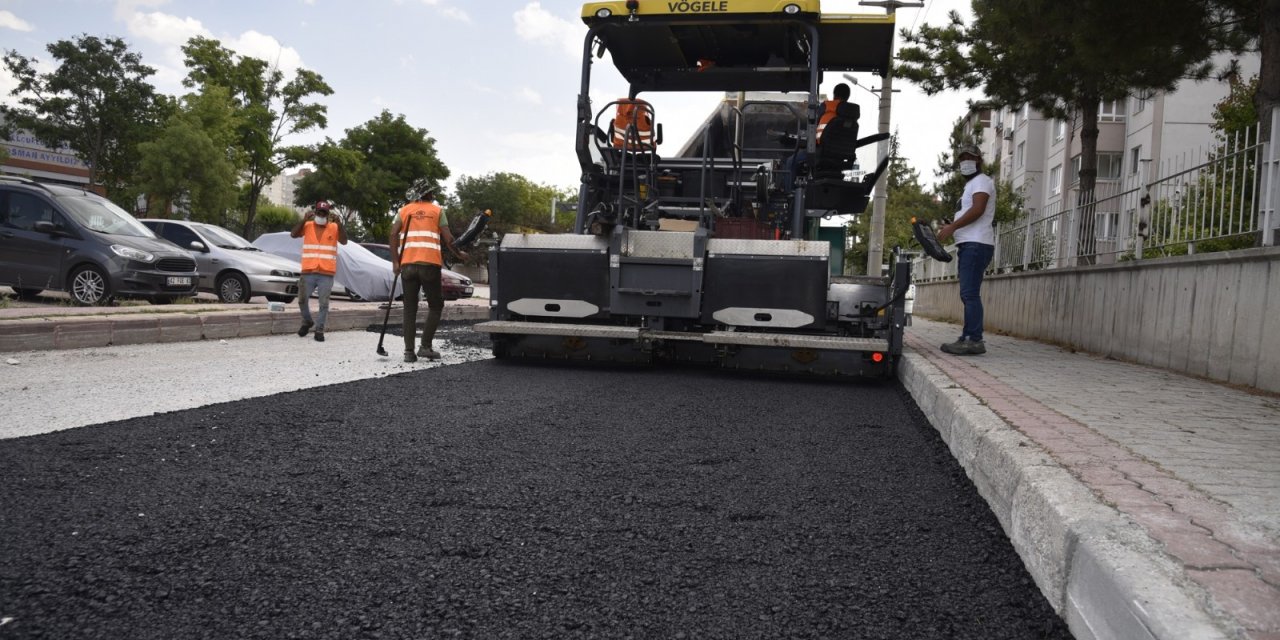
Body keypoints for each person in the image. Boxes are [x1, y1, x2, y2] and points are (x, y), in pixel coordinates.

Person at [390, 187, 468, 363]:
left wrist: (395, 262)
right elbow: (448, 239)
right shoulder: (437, 211)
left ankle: (408, 352)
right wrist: (459, 254)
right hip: (429, 265)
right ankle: (425, 346)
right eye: (432, 192)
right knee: (435, 305)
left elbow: (393, 234)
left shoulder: (404, 210)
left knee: (409, 309)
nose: (434, 195)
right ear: (428, 194)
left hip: (408, 265)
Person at [936, 144, 996, 356]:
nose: (965, 162)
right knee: (968, 294)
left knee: (970, 294)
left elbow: (978, 209)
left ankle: (973, 340)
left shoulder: (981, 181)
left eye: (969, 157)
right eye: (962, 159)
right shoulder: (971, 185)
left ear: (978, 160)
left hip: (976, 244)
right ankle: (968, 336)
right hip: (971, 243)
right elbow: (969, 212)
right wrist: (950, 225)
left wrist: (953, 227)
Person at [291, 200, 348, 342]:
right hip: (308, 270)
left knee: (324, 303)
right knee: (302, 300)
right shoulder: (308, 225)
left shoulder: (334, 227)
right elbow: (293, 234)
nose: (321, 215)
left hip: (326, 272)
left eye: (324, 213)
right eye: (319, 212)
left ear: (328, 215)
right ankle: (307, 321)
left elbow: (344, 241)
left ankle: (319, 330)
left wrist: (340, 224)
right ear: (315, 212)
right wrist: (303, 219)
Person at [783, 83, 852, 190]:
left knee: (791, 162)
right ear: (848, 96)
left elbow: (813, 126)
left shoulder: (826, 106)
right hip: (840, 158)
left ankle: (789, 194)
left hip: (820, 153)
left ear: (834, 94)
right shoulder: (851, 115)